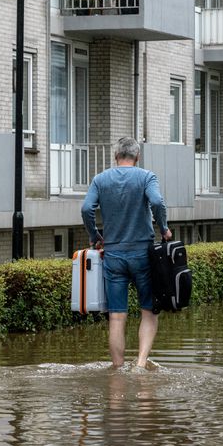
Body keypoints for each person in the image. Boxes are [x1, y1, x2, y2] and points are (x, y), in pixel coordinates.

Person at [81, 137, 171, 370]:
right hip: (143, 255)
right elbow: (157, 202)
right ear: (137, 157)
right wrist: (164, 228)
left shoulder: (100, 180)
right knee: (149, 312)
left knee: (117, 317)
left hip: (114, 256)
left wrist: (94, 235)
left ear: (116, 156)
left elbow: (86, 208)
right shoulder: (146, 177)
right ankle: (140, 365)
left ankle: (119, 370)